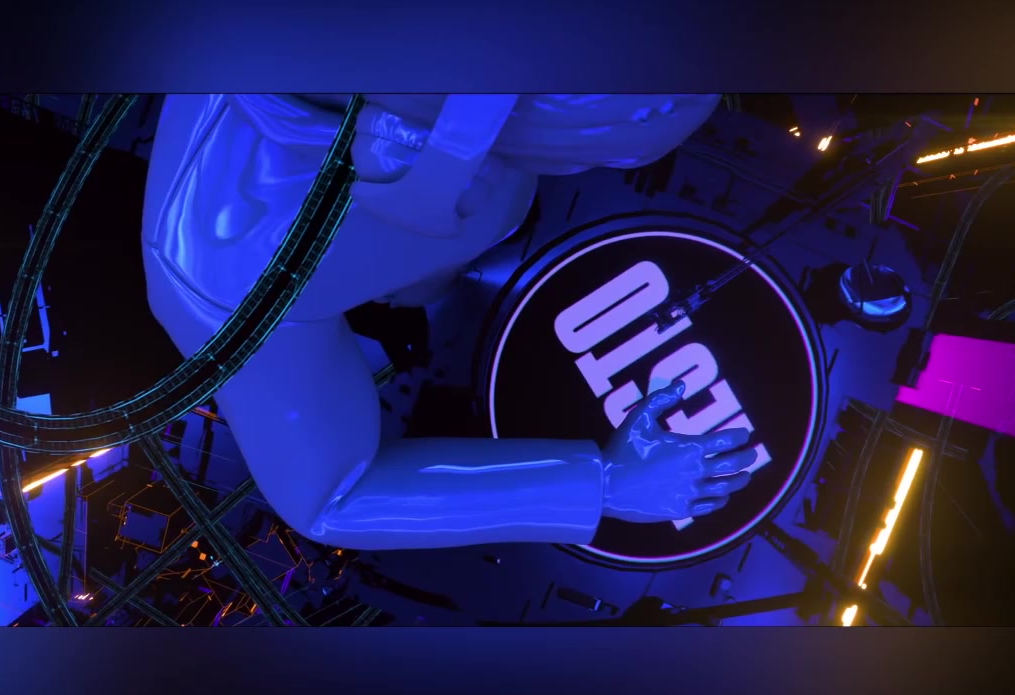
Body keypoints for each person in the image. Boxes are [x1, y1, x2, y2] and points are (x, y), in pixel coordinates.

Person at [141, 94, 758, 551]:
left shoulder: (227, 282)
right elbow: (329, 499)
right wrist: (604, 486)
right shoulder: (226, 279)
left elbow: (331, 498)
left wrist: (607, 486)